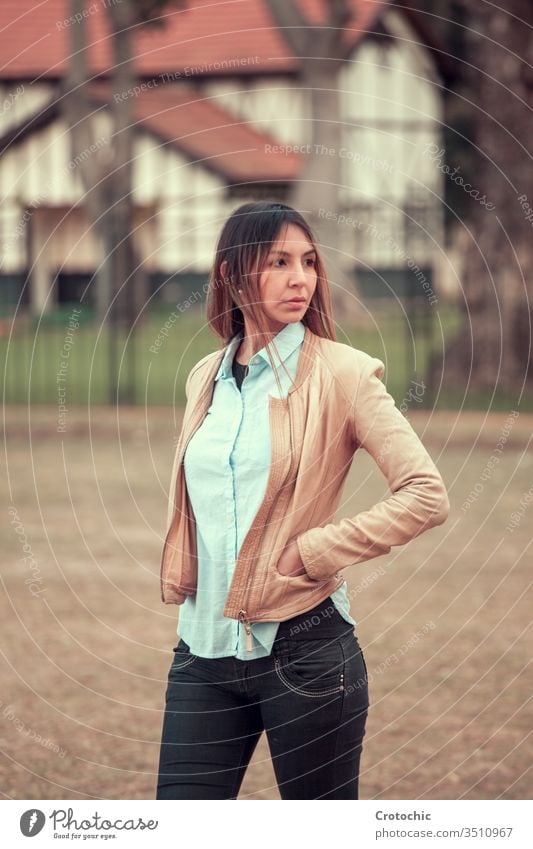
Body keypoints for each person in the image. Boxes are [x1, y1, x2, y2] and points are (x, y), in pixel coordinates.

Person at [155, 201, 450, 800]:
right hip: (202, 652)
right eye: (278, 262)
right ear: (230, 275)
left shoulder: (343, 373)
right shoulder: (204, 377)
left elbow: (426, 493)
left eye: (309, 261)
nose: (301, 278)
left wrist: (314, 550)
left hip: (307, 652)